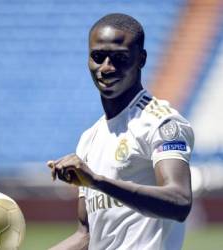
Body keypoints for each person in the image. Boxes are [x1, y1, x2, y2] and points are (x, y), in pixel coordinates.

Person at [47, 13, 194, 250]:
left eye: (119, 58)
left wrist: (97, 181)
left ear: (141, 59)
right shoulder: (88, 138)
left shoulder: (163, 123)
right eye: (97, 57)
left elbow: (179, 202)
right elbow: (86, 236)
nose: (106, 67)